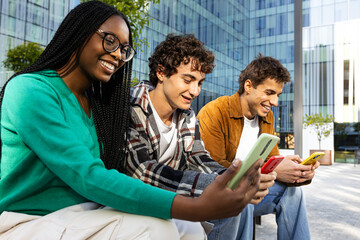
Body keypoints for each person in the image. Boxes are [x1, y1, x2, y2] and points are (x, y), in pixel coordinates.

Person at [0, 1, 262, 239]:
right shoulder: (30, 90)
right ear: (80, 32)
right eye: (110, 41)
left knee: (190, 228)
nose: (117, 55)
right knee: (157, 227)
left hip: (84, 212)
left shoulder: (98, 104)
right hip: (28, 219)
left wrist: (230, 178)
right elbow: (89, 175)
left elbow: (197, 159)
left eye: (124, 49)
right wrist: (195, 206)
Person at [125, 34, 275, 240]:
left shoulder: (186, 116)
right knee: (227, 200)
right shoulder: (130, 107)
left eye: (200, 82)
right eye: (188, 80)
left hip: (174, 197)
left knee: (236, 202)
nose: (195, 91)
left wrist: (231, 177)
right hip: (137, 200)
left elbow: (198, 158)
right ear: (161, 72)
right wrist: (214, 184)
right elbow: (142, 170)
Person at [197, 54, 320, 240]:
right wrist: (265, 172)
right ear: (248, 86)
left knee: (293, 192)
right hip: (218, 195)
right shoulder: (215, 112)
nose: (275, 102)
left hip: (250, 188)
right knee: (242, 199)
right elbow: (211, 169)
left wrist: (296, 173)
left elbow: (272, 161)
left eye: (278, 95)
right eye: (269, 93)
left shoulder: (266, 117)